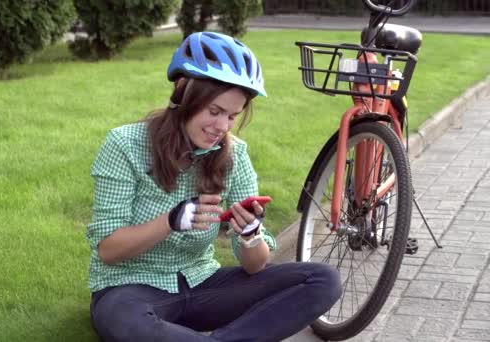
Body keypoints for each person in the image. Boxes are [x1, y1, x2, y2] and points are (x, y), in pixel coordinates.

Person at [86, 31, 342, 342]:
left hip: (204, 285)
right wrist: (170, 221)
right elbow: (108, 250)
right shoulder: (125, 144)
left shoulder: (236, 155)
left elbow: (255, 266)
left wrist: (250, 235)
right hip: (131, 289)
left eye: (232, 116)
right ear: (183, 94)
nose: (222, 127)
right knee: (124, 322)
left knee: (322, 280)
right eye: (215, 111)